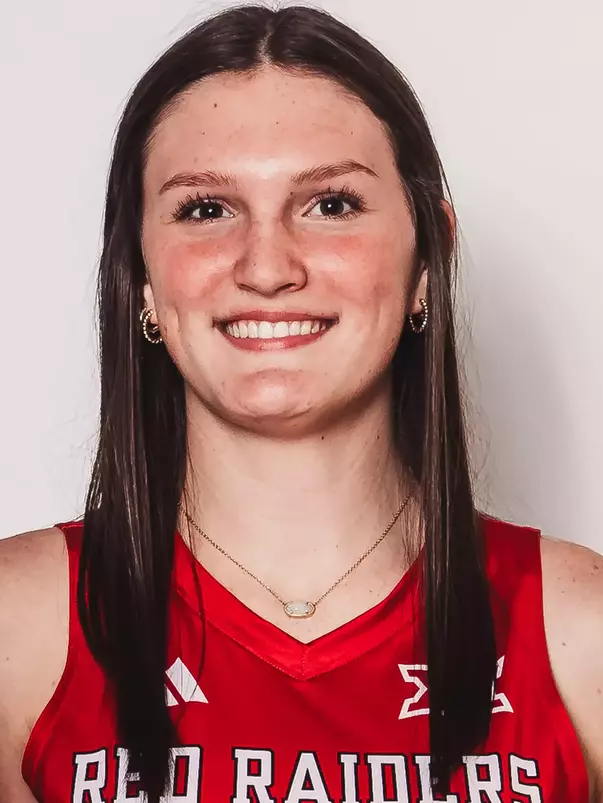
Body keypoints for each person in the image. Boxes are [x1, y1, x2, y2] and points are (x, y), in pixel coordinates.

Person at [1, 4, 602, 802]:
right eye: (205, 210)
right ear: (140, 276)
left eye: (331, 204)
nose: (267, 264)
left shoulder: (580, 633)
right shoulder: (18, 630)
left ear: (430, 253)